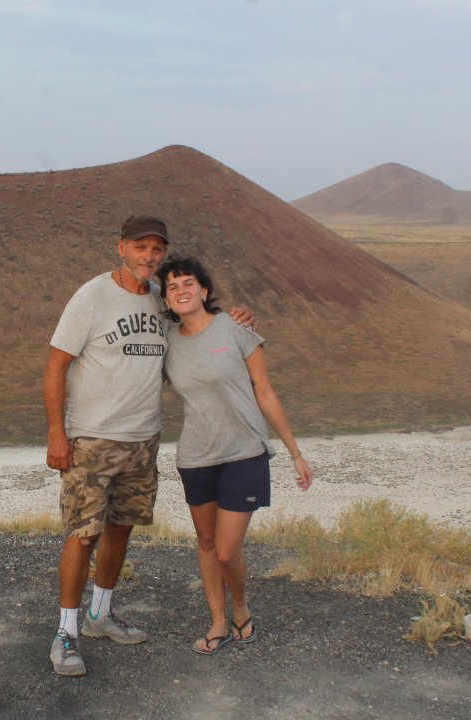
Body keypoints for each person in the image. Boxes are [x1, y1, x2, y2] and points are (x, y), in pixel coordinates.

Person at [43, 216, 251, 677]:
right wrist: (58, 433)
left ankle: (100, 614)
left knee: (121, 528)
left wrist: (235, 321)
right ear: (121, 247)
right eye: (141, 247)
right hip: (92, 439)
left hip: (143, 439)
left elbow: (201, 326)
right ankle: (65, 634)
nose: (150, 257)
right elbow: (56, 365)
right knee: (83, 534)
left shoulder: (163, 302)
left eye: (157, 250)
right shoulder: (92, 297)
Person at [156, 254, 314, 655]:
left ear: (204, 290)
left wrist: (295, 452)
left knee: (227, 550)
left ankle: (240, 604)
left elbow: (266, 393)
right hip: (195, 456)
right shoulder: (166, 340)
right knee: (206, 542)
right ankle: (218, 621)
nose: (180, 290)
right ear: (168, 300)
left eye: (188, 282)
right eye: (172, 286)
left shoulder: (235, 328)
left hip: (244, 451)